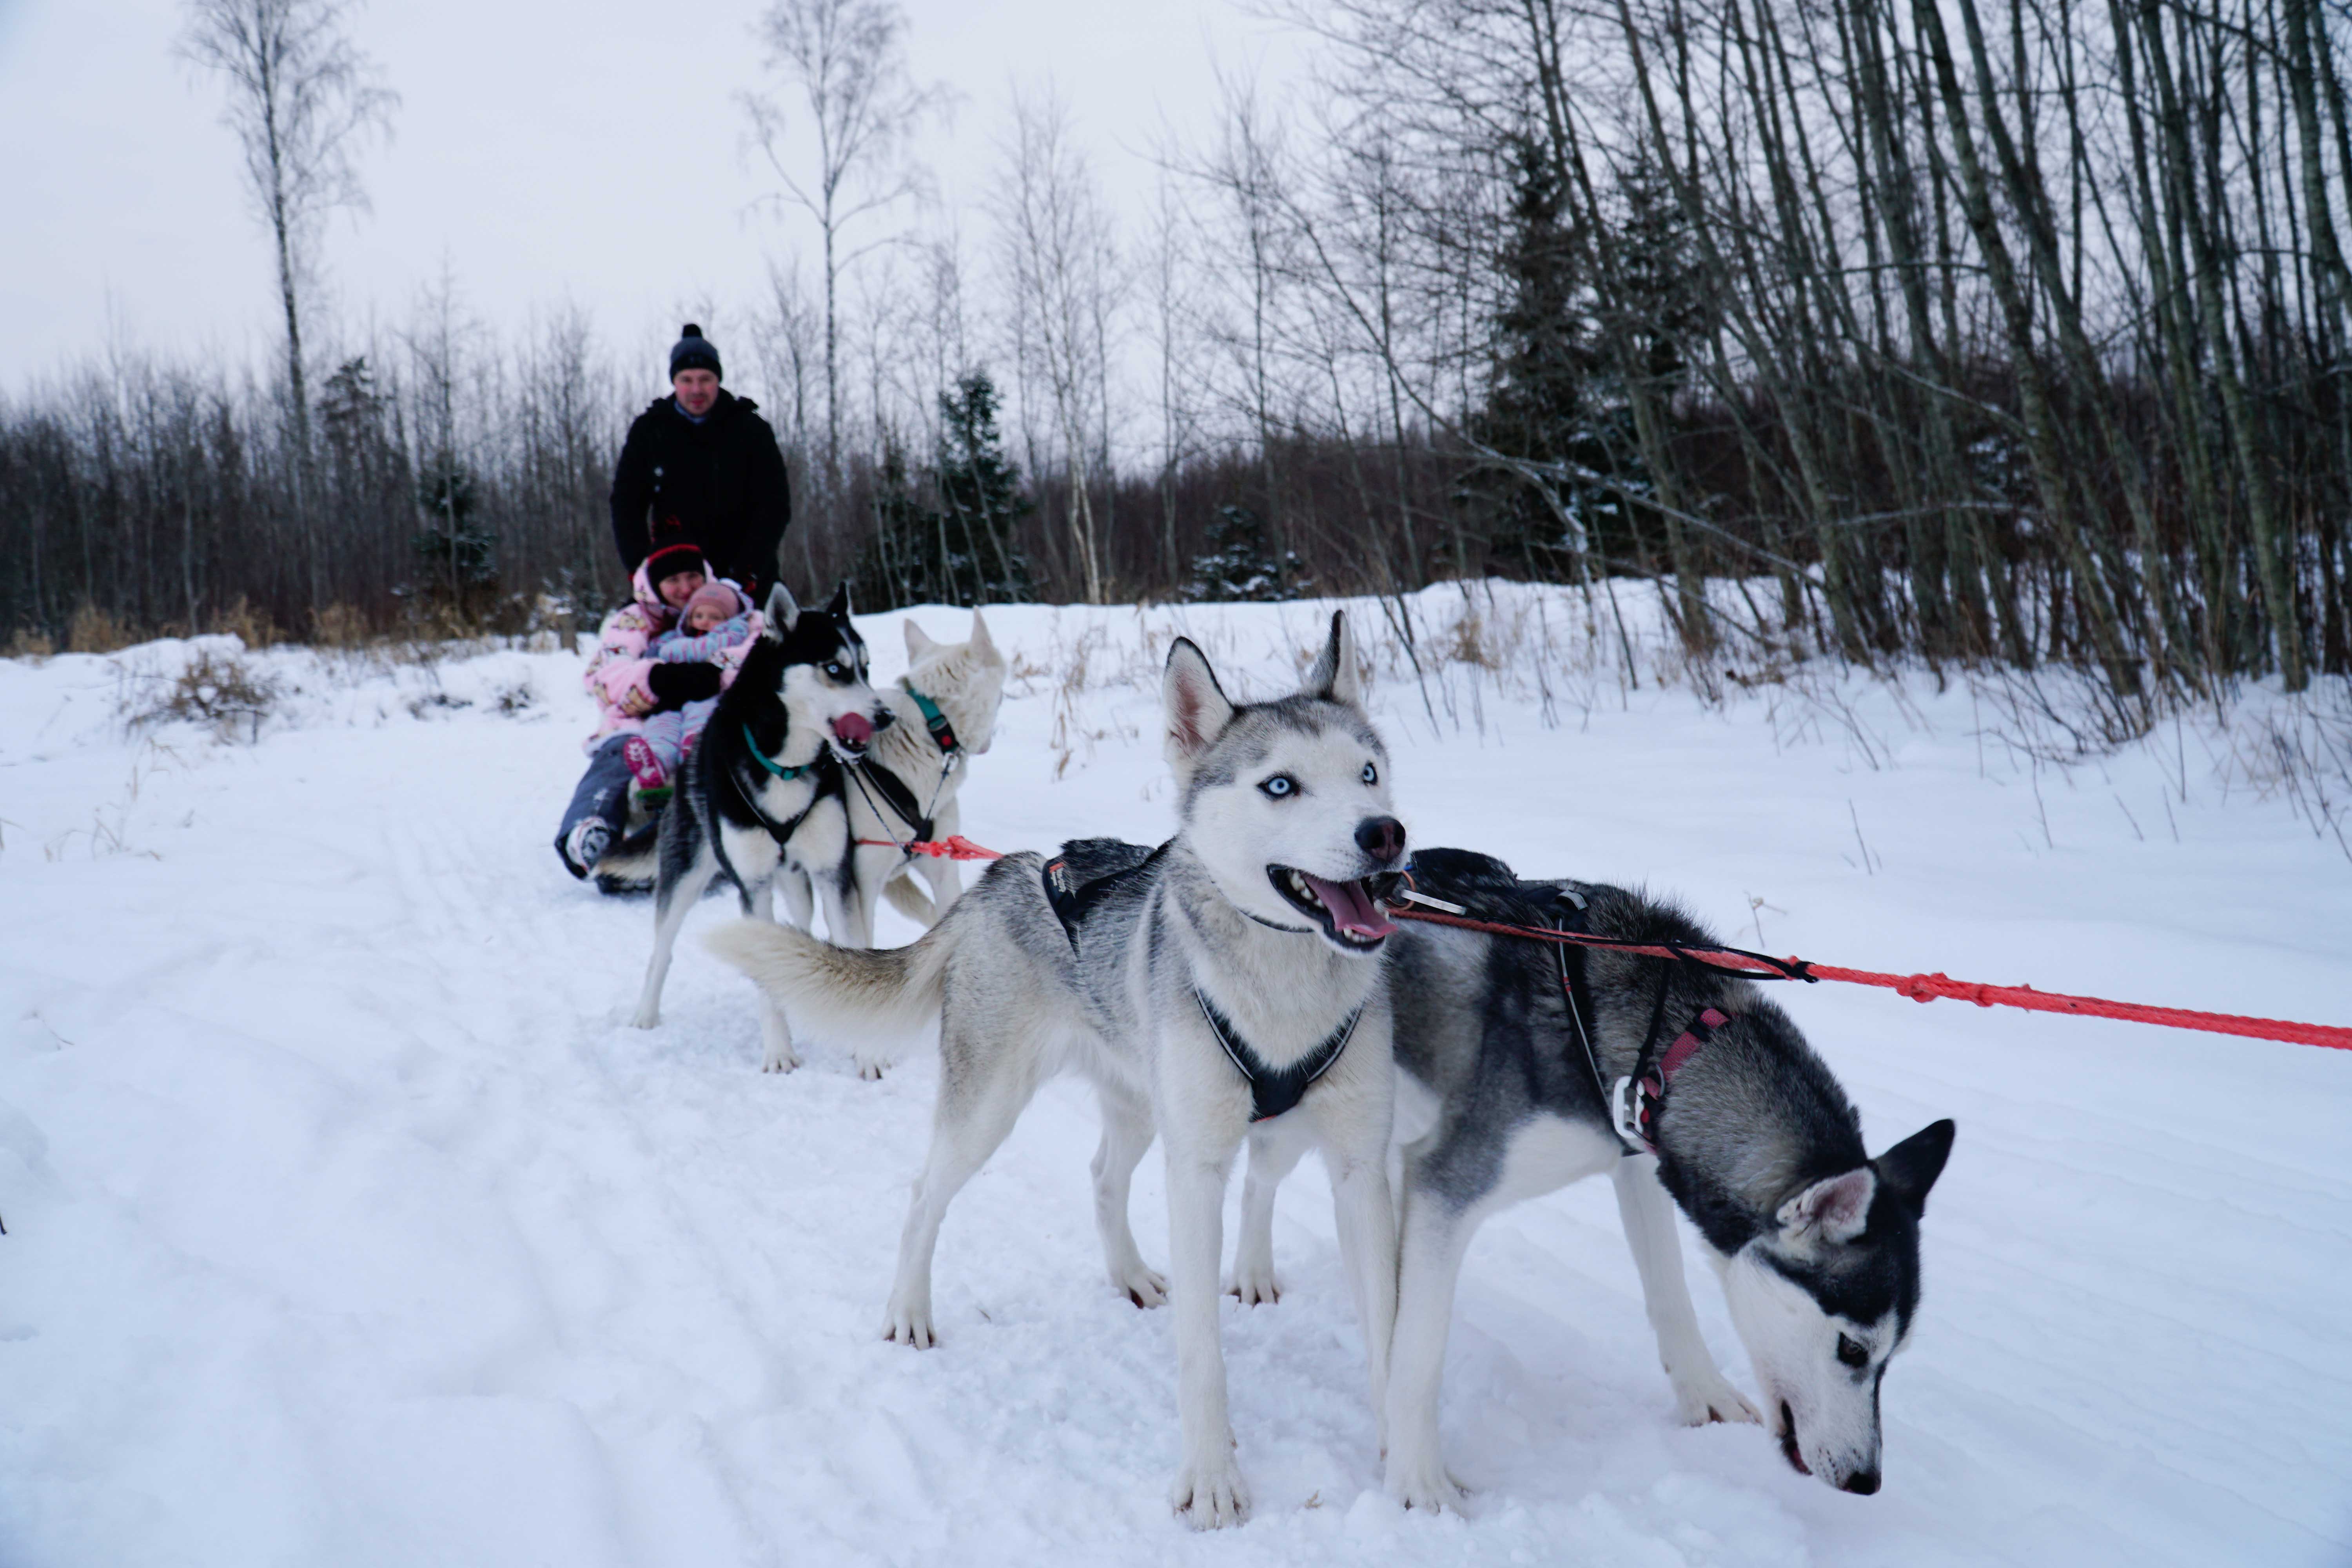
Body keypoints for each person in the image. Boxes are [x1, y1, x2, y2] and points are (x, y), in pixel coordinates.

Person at [553, 541, 762, 878]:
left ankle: (729, 841)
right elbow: (603, 679)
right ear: (654, 586)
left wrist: (715, 676)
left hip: (716, 714)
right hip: (643, 720)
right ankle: (591, 831)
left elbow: (763, 659)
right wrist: (658, 678)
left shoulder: (738, 611)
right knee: (619, 757)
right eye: (672, 580)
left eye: (692, 576)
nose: (685, 588)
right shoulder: (633, 621)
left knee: (725, 752)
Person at [609, 323, 792, 595]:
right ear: (675, 382)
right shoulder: (650, 431)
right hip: (677, 584)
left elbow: (774, 507)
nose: (696, 390)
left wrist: (746, 572)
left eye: (705, 379)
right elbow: (626, 505)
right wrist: (642, 569)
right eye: (687, 380)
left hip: (747, 580)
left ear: (718, 380)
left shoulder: (751, 430)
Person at [622, 579, 757, 792]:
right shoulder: (672, 637)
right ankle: (656, 762)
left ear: (729, 620)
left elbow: (723, 651)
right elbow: (651, 657)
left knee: (702, 717)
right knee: (661, 725)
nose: (705, 622)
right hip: (672, 699)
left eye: (715, 617)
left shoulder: (730, 637)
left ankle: (696, 752)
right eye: (699, 616)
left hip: (706, 693)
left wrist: (675, 651)